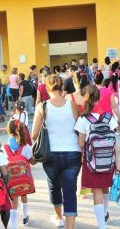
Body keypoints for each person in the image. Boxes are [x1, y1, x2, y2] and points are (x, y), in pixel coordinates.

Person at [32, 74, 81, 229]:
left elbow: (33, 134)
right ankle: (69, 227)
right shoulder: (72, 105)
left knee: (54, 186)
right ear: (62, 88)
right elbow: (80, 130)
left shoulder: (42, 107)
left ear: (47, 88)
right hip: (73, 153)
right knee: (70, 190)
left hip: (50, 155)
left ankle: (59, 218)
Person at [75, 84, 120, 229]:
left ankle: (102, 225)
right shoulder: (108, 118)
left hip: (91, 162)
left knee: (97, 192)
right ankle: (105, 213)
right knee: (105, 187)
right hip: (109, 160)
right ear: (99, 98)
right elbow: (114, 142)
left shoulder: (83, 120)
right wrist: (117, 163)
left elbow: (81, 143)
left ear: (85, 98)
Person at [2, 120, 36, 228]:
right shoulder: (26, 147)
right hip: (24, 179)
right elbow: (32, 162)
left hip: (11, 181)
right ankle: (25, 217)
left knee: (14, 202)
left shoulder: (4, 148)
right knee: (24, 196)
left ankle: (13, 226)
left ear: (8, 131)